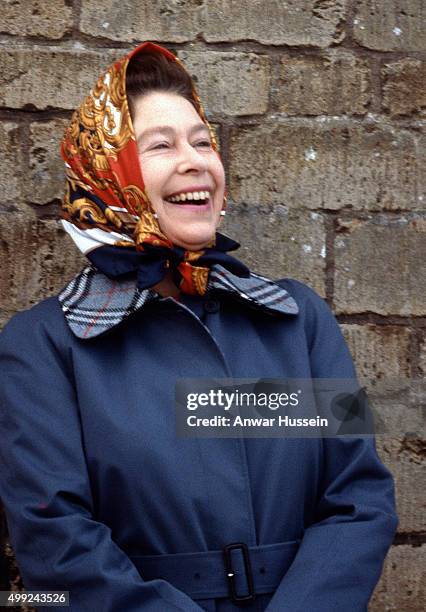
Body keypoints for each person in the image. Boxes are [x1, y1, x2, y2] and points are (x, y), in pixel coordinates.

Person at [0, 42, 398, 611]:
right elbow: (55, 543)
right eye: (160, 145)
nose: (195, 161)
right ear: (108, 171)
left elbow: (358, 497)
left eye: (203, 141)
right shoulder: (44, 346)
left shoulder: (299, 321)